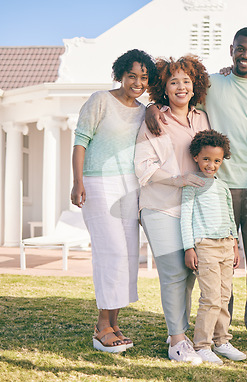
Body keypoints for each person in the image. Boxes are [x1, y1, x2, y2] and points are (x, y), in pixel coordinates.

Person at [146, 27, 247, 351]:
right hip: (217, 187)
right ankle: (221, 334)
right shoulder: (213, 83)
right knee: (222, 262)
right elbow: (178, 96)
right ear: (231, 49)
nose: (246, 55)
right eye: (241, 49)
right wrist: (152, 107)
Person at [71, 49, 157, 353]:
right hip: (98, 182)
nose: (137, 82)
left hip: (129, 187)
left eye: (144, 77)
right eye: (132, 75)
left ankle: (114, 322)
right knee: (112, 253)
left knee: (128, 255)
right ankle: (101, 327)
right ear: (120, 74)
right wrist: (77, 181)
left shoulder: (144, 109)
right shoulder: (100, 100)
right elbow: (81, 141)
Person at [134, 55, 211, 364]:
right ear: (164, 88)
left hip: (192, 209)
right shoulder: (155, 119)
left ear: (195, 87)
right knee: (173, 273)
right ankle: (178, 342)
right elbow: (143, 168)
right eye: (174, 82)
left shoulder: (202, 118)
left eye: (186, 82)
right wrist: (179, 180)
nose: (181, 87)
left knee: (190, 273)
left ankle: (177, 331)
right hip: (159, 205)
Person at [181, 130, 247, 365]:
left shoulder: (223, 186)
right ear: (196, 157)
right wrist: (189, 247)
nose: (211, 164)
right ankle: (202, 344)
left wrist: (235, 244)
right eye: (206, 159)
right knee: (210, 297)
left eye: (217, 160)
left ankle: (222, 340)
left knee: (224, 295)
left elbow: (230, 217)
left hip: (226, 246)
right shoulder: (192, 184)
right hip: (205, 246)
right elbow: (185, 217)